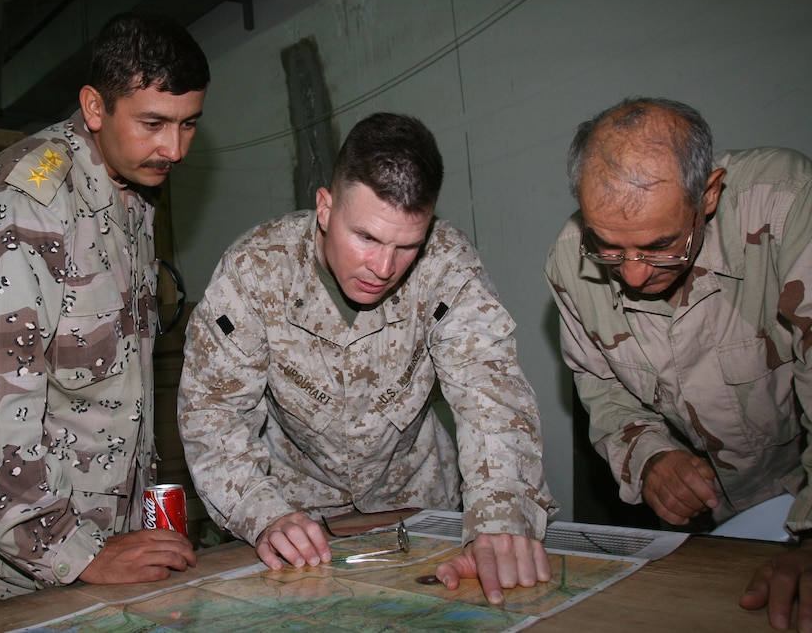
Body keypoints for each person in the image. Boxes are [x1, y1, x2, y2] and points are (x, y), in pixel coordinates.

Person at [178, 112, 556, 605]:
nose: (383, 268)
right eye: (367, 238)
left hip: (420, 511)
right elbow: (213, 413)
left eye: (407, 247)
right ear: (325, 208)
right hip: (299, 523)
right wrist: (260, 512)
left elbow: (492, 398)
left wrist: (500, 520)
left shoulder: (447, 267)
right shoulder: (255, 272)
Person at [0, 11, 210, 606]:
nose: (175, 148)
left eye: (190, 125)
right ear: (94, 108)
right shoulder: (25, 209)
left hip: (110, 544)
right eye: (154, 123)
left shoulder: (129, 194)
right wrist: (70, 548)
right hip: (24, 571)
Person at [545, 96, 812, 631]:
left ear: (708, 194)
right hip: (717, 532)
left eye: (660, 246)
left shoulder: (784, 204)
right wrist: (648, 457)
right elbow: (601, 388)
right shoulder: (571, 263)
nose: (635, 276)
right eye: (611, 248)